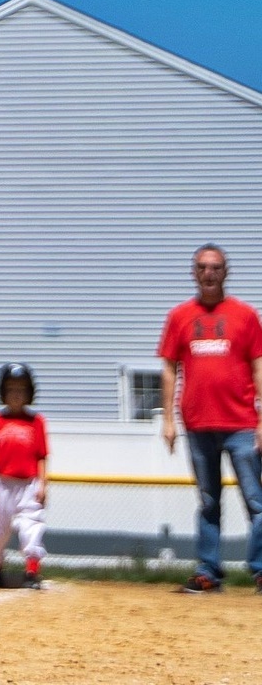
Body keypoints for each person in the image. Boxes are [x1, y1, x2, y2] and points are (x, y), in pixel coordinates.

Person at [158, 244, 262, 593]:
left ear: (226, 272)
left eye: (215, 267)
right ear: (194, 272)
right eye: (202, 267)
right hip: (198, 424)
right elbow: (169, 369)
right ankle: (208, 571)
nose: (208, 273)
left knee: (257, 501)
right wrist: (169, 420)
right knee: (208, 501)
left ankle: (260, 569)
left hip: (242, 424)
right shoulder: (179, 317)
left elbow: (258, 366)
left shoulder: (246, 316)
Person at [0, 363, 48, 589]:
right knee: (0, 528)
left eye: (21, 389)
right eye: (10, 389)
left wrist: (43, 484)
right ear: (2, 392)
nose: (16, 394)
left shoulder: (36, 421)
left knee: (32, 524)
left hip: (29, 483)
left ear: (29, 392)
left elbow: (41, 456)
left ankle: (31, 571)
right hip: (1, 482)